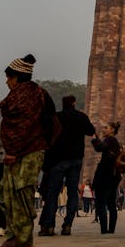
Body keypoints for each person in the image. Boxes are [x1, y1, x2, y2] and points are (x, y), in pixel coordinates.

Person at [0, 53, 58, 247]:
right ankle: (14, 235)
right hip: (20, 151)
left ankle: (25, 244)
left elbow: (24, 127)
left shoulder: (29, 95)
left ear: (16, 77)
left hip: (28, 151)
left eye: (8, 77)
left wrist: (13, 151)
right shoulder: (28, 93)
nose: (7, 82)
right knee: (6, 193)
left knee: (21, 194)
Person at [38, 94, 95, 236]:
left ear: (62, 104)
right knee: (72, 193)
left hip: (58, 160)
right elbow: (91, 131)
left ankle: (50, 226)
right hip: (75, 159)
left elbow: (47, 136)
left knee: (53, 193)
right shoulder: (81, 117)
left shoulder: (56, 117)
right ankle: (67, 224)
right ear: (74, 103)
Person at [91, 121, 123, 235]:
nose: (103, 129)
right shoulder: (114, 141)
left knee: (101, 203)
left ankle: (104, 230)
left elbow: (99, 148)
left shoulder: (110, 140)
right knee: (111, 204)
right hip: (112, 176)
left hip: (105, 176)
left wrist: (94, 138)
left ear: (112, 130)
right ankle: (111, 230)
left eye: (106, 127)